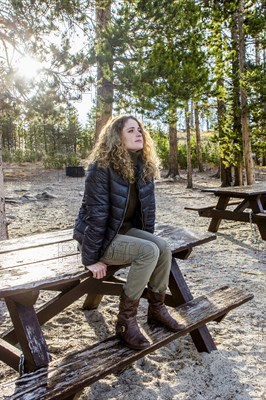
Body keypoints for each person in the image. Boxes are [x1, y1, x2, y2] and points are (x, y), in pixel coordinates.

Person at [73, 115, 185, 350]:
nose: (139, 134)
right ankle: (126, 321)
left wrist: (150, 240)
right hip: (99, 239)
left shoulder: (143, 166)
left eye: (140, 130)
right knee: (148, 251)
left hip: (124, 233)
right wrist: (90, 259)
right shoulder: (100, 169)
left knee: (162, 247)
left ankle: (156, 309)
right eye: (131, 130)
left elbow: (147, 213)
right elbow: (96, 216)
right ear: (117, 138)